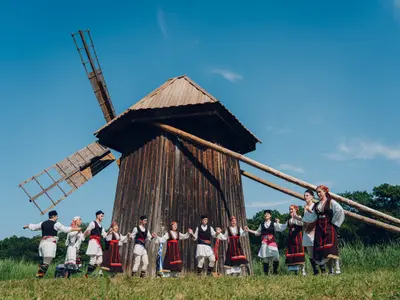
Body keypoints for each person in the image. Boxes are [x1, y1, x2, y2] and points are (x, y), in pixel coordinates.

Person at [23, 210, 81, 278]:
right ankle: (38, 277)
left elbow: (34, 226)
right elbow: (65, 229)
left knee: (44, 262)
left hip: (42, 244)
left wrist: (27, 226)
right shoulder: (56, 224)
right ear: (53, 216)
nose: (57, 218)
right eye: (56, 216)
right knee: (46, 263)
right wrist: (77, 229)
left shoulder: (43, 223)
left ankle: (39, 276)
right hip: (49, 244)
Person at [310, 185, 345, 275]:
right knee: (323, 250)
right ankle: (330, 271)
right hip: (319, 228)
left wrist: (334, 223)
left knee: (331, 248)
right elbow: (313, 216)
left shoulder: (331, 202)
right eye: (317, 192)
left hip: (329, 227)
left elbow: (340, 210)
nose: (318, 194)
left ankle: (337, 269)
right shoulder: (317, 204)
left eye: (320, 192)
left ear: (325, 192)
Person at [245, 210, 281, 275]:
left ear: (270, 216)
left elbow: (280, 228)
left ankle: (275, 271)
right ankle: (266, 273)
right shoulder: (261, 224)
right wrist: (249, 230)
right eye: (265, 214)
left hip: (272, 242)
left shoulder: (273, 224)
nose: (265, 215)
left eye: (267, 214)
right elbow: (257, 232)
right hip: (264, 242)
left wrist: (278, 222)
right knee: (265, 258)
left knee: (276, 256)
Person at [275, 205, 306, 275]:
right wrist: (277, 223)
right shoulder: (289, 220)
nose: (290, 211)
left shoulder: (299, 218)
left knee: (300, 252)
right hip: (291, 239)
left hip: (298, 238)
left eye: (292, 209)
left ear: (296, 210)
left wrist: (296, 218)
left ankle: (303, 270)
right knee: (292, 253)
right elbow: (282, 227)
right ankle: (296, 272)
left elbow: (303, 224)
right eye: (289, 209)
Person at [84, 210, 107, 277]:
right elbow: (87, 230)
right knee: (92, 259)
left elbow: (104, 235)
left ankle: (93, 272)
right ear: (97, 216)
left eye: (103, 216)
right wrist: (85, 235)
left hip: (98, 243)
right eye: (101, 216)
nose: (102, 218)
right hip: (93, 242)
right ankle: (88, 275)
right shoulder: (93, 223)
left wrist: (109, 232)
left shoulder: (101, 226)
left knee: (100, 260)